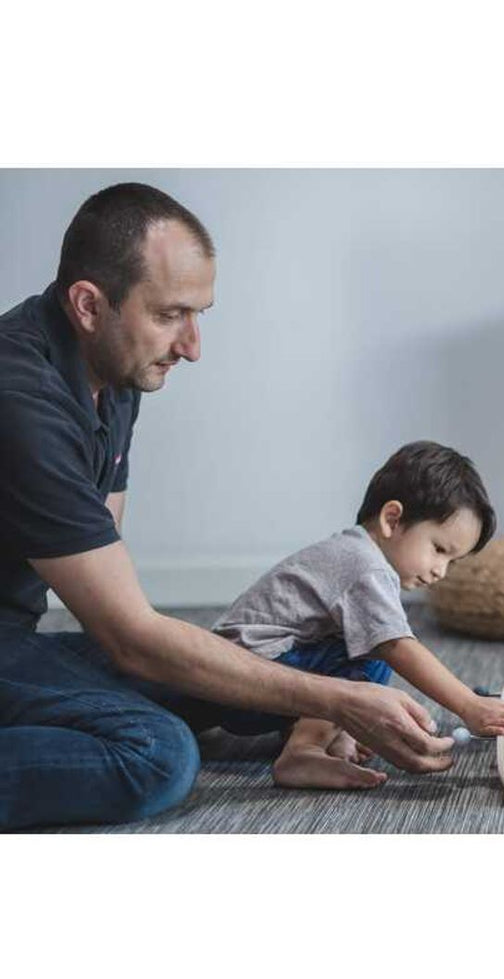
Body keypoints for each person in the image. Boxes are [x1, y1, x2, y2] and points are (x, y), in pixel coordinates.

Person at [0, 182, 457, 831]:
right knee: (158, 755)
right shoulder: (22, 404)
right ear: (88, 305)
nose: (192, 346)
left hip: (14, 642)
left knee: (289, 671)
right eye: (170, 315)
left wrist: (325, 693)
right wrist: (338, 703)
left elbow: (109, 588)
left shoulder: (117, 372)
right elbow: (130, 637)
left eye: (199, 315)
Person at [206, 440, 504, 789]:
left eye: (451, 561)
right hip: (248, 679)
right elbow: (397, 646)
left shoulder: (355, 555)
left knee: (360, 646)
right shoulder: (364, 565)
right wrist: (470, 705)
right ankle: (303, 751)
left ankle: (317, 735)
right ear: (392, 519)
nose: (441, 570)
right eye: (439, 549)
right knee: (375, 653)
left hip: (252, 684)